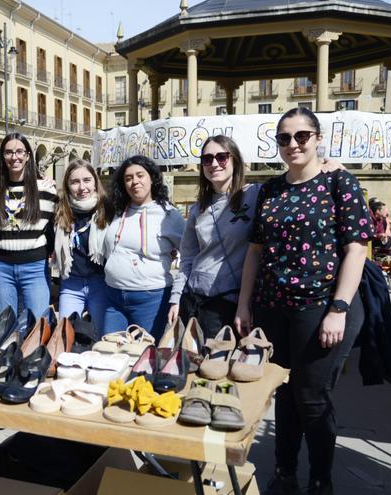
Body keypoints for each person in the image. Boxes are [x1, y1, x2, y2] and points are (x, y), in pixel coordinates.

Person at [235, 108, 372, 495]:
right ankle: (284, 471)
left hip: (320, 306)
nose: (293, 144)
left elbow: (357, 250)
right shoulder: (272, 189)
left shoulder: (339, 182)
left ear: (318, 138)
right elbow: (255, 251)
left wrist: (339, 309)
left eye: (302, 136)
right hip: (273, 306)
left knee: (311, 396)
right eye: (284, 138)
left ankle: (320, 479)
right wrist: (245, 305)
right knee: (284, 390)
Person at [168, 136, 260, 339]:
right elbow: (187, 259)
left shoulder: (255, 195)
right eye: (207, 159)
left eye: (222, 156)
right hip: (194, 300)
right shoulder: (197, 208)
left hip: (230, 302)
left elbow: (294, 182)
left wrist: (327, 165)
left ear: (235, 160)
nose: (214, 163)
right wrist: (175, 298)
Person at [102, 155, 185, 340]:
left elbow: (189, 255)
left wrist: (177, 297)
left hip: (151, 299)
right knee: (109, 354)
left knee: (143, 358)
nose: (134, 182)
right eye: (128, 178)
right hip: (113, 297)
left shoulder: (168, 215)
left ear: (152, 178)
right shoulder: (116, 211)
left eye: (140, 175)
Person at [0, 132, 57, 318]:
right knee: (4, 326)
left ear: (28, 156)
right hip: (1, 267)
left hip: (35, 267)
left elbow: (63, 218)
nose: (14, 157)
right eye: (8, 152)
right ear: (2, 156)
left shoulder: (46, 189)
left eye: (20, 151)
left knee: (37, 324)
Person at [54, 158, 112, 333]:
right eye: (75, 182)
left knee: (103, 337)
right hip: (72, 284)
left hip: (100, 283)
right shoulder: (60, 210)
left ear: (95, 182)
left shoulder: (108, 209)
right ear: (67, 185)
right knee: (64, 335)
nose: (81, 187)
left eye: (87, 180)